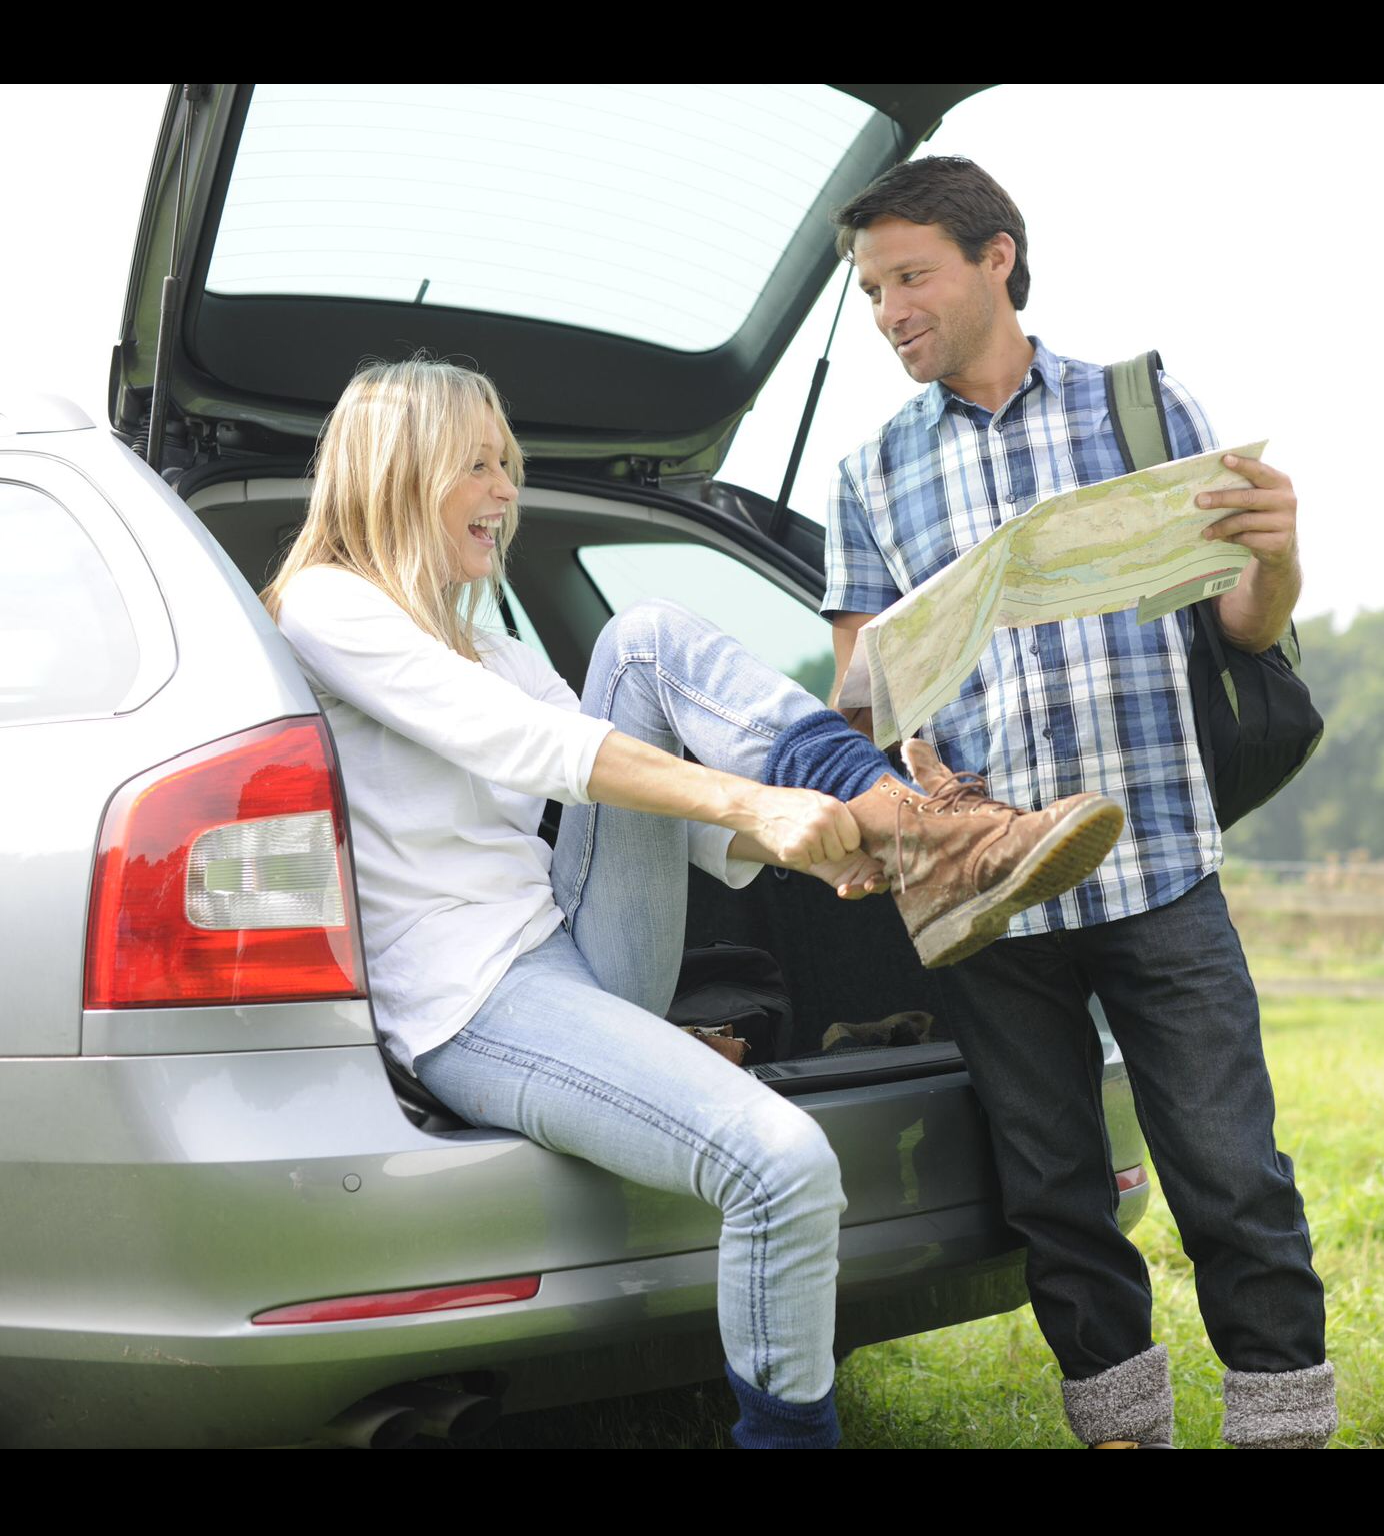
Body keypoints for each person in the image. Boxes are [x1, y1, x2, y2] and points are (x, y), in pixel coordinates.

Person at [263, 358, 1123, 1449]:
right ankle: (921, 830)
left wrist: (819, 844)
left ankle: (907, 832)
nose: (506, 490)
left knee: (648, 641)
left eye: (506, 464)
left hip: (569, 947)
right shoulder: (325, 605)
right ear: (397, 470)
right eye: (476, 464)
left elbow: (639, 803)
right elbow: (536, 748)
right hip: (469, 1002)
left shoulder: (495, 648)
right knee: (782, 1167)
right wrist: (758, 804)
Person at [823, 158, 1336, 1449]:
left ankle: (1282, 1426)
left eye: (910, 276)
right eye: (872, 289)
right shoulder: (871, 473)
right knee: (1054, 1193)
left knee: (1231, 1175)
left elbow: (1244, 625)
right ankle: (1119, 1431)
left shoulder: (1141, 409)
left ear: (995, 258)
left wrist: (1277, 555)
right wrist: (897, 747)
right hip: (992, 896)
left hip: (1156, 862)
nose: (889, 310)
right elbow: (856, 693)